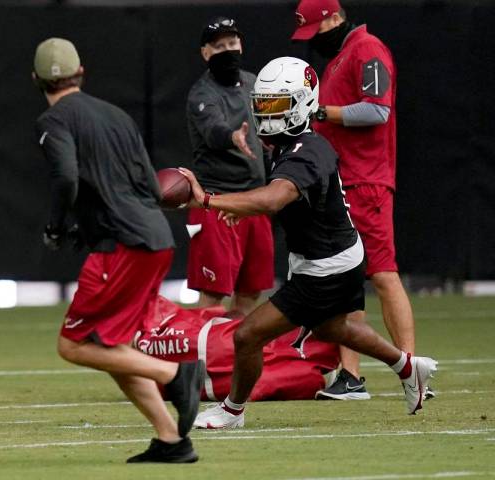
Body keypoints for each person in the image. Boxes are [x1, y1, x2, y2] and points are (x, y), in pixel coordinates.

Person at [179, 57, 437, 429]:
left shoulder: (305, 151)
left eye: (276, 106)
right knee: (334, 329)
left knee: (248, 335)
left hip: (324, 267)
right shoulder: (293, 143)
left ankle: (232, 410)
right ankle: (409, 367)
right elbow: (278, 199)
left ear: (300, 104)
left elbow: (272, 198)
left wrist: (207, 200)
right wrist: (243, 207)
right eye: (262, 105)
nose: (266, 114)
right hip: (337, 255)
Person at [32, 38, 204, 463]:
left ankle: (176, 374)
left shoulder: (53, 120)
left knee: (73, 345)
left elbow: (67, 178)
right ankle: (171, 440)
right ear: (81, 73)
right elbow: (149, 184)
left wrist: (56, 225)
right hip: (155, 239)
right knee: (114, 350)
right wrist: (87, 229)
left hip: (123, 249)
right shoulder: (116, 115)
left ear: (36, 80)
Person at [290, 0, 425, 400]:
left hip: (365, 182)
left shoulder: (367, 49)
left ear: (333, 18)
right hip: (341, 183)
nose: (313, 40)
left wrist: (318, 113)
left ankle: (411, 367)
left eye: (314, 30)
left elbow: (375, 110)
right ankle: (351, 375)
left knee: (382, 274)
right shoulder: (341, 58)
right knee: (343, 279)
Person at [185, 16, 274, 316]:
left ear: (241, 45)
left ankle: (236, 362)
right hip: (218, 203)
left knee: (250, 294)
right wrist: (233, 136)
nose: (227, 50)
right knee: (212, 298)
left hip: (256, 202)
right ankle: (202, 363)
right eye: (219, 46)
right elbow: (213, 130)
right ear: (205, 53)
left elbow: (274, 126)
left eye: (232, 43)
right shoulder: (202, 94)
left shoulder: (254, 83)